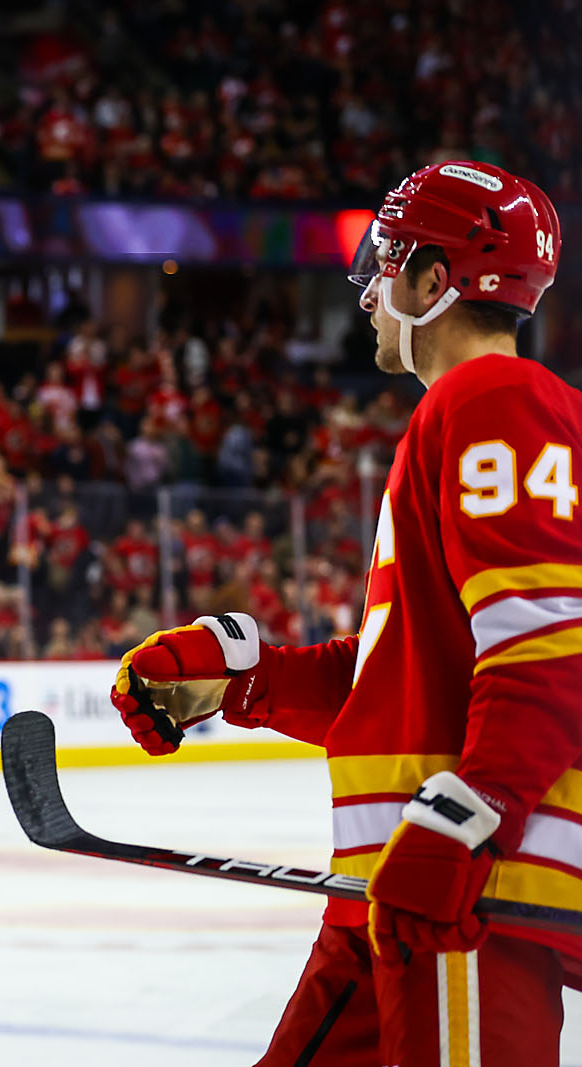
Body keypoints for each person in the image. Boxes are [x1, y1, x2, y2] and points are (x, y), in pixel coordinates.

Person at [110, 161, 576, 1066]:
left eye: (384, 261)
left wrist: (469, 819)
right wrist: (245, 681)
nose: (366, 291)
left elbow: (549, 645)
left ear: (435, 282)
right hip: (396, 890)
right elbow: (404, 688)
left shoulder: (494, 399)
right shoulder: (460, 416)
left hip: (460, 894)